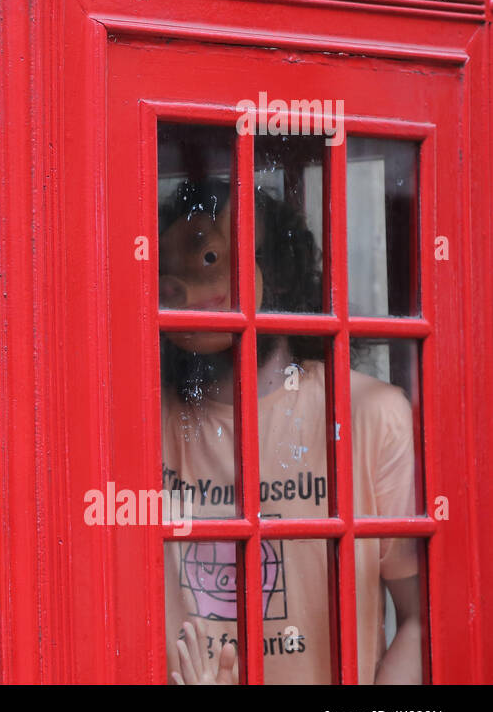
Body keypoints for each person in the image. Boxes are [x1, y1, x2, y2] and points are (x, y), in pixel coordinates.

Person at [158, 178, 421, 684]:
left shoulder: (369, 415)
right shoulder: (138, 423)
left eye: (215, 260)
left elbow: (420, 617)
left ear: (276, 275)